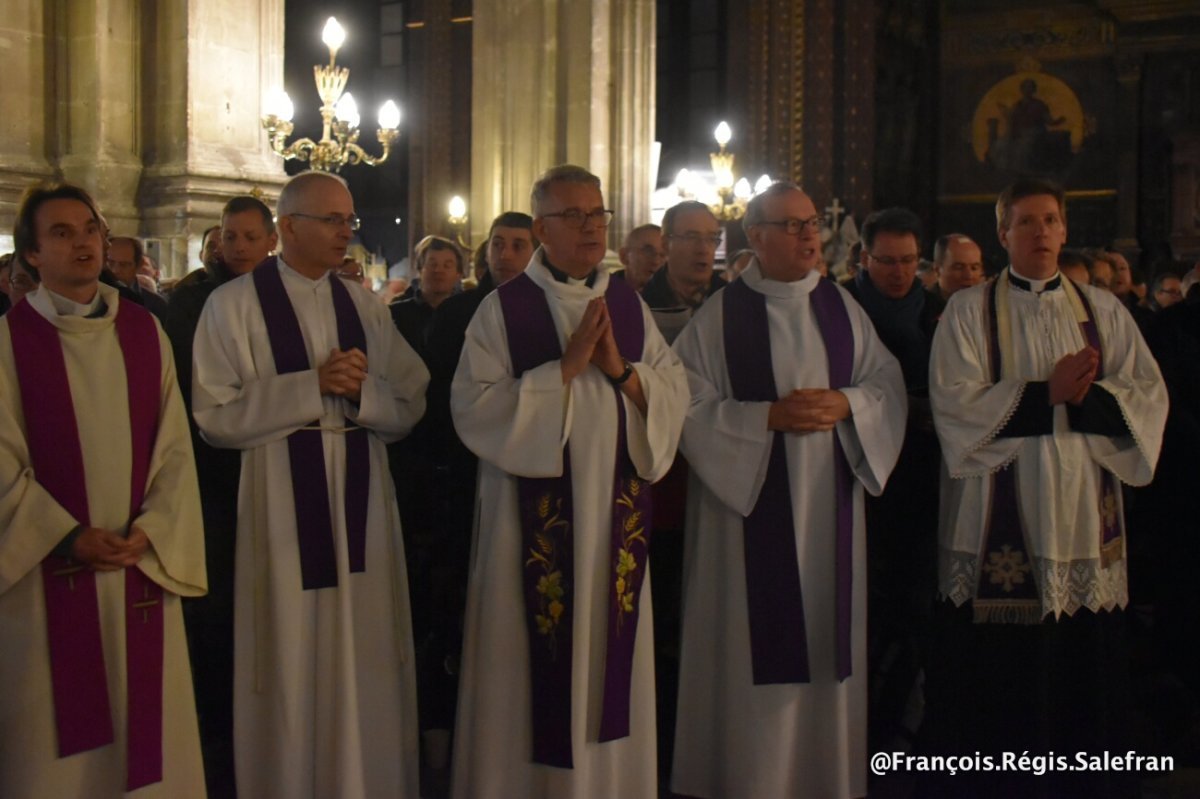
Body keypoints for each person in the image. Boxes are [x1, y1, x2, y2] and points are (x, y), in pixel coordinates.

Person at [450, 165, 688, 798]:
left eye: (598, 214)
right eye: (574, 216)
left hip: (616, 521)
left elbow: (672, 393)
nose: (590, 227)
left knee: (610, 655)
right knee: (527, 661)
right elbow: (473, 408)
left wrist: (620, 372)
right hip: (526, 529)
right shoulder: (502, 311)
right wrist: (562, 370)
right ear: (539, 228)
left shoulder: (627, 304)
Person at [924, 178, 1167, 798]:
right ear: (1003, 234)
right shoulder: (968, 310)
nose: (1039, 232)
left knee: (1083, 660)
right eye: (1025, 222)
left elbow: (1149, 394)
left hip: (1083, 506)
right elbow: (951, 405)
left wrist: (1092, 399)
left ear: (1064, 230)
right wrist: (1044, 395)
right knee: (1000, 671)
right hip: (995, 513)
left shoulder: (1104, 310)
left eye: (1050, 220)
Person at [192, 171, 429, 799]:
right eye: (332, 220)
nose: (346, 230)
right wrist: (311, 386)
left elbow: (412, 397)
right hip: (278, 496)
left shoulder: (364, 306)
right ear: (288, 228)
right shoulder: (233, 305)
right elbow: (214, 415)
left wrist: (361, 395)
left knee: (365, 643)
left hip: (361, 494)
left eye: (349, 219)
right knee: (289, 647)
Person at [671, 181, 906, 799]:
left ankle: (821, 779)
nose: (809, 235)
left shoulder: (841, 308)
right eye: (793, 225)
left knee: (823, 640)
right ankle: (745, 780)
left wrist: (846, 402)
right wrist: (763, 420)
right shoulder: (719, 317)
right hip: (744, 514)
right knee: (749, 647)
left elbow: (887, 387)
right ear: (756, 237)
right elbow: (684, 405)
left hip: (829, 510)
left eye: (810, 224)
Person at [0, 183, 207, 797]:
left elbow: (174, 452)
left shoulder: (145, 333)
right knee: (53, 750)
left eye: (89, 228)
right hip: (46, 576)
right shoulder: (8, 344)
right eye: (61, 233)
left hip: (138, 562)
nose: (83, 242)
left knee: (147, 734)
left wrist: (154, 529)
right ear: (32, 254)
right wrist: (66, 536)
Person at [164, 194, 278, 797]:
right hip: (211, 470)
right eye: (228, 236)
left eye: (248, 236)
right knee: (220, 602)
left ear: (269, 241)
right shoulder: (189, 301)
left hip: (274, 465)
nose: (236, 247)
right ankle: (217, 728)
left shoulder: (285, 296)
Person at [843, 207, 945, 753]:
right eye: (887, 261)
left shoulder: (939, 310)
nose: (901, 273)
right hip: (858, 479)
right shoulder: (840, 308)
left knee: (918, 605)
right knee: (865, 606)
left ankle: (903, 721)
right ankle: (859, 725)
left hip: (924, 479)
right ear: (864, 258)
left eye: (910, 261)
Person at [641, 200, 727, 344]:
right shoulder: (640, 303)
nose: (703, 249)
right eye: (691, 237)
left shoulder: (733, 301)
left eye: (712, 238)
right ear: (665, 244)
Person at [390, 235, 462, 356]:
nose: (439, 270)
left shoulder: (467, 314)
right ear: (419, 270)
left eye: (447, 265)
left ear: (458, 274)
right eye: (432, 264)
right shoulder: (396, 315)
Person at [107, 235, 169, 322]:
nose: (115, 270)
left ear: (138, 266)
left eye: (124, 265)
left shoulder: (154, 305)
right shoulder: (87, 299)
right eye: (110, 263)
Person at [932, 233, 984, 299]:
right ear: (937, 271)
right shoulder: (920, 305)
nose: (969, 275)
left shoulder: (990, 305)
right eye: (959, 268)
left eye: (974, 268)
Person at [615, 223, 665, 293]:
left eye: (663, 254)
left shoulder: (672, 298)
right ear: (624, 256)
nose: (656, 261)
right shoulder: (602, 293)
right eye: (648, 251)